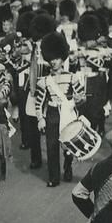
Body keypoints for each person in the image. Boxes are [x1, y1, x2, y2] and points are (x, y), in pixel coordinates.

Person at [35, 32, 84, 186]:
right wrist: (40, 119)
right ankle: (53, 177)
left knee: (68, 145)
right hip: (52, 113)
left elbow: (81, 96)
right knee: (51, 146)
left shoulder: (72, 77)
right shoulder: (44, 81)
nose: (54, 62)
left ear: (62, 59)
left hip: (68, 113)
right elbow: (39, 102)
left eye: (57, 58)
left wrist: (79, 99)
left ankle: (68, 166)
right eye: (51, 59)